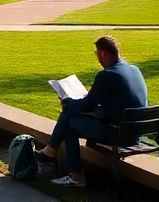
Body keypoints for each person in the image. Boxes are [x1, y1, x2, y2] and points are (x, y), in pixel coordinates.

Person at [36, 36, 148, 188]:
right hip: (136, 132)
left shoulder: (107, 75)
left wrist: (68, 103)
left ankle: (70, 170)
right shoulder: (134, 69)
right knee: (72, 113)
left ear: (103, 54)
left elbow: (87, 105)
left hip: (119, 134)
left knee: (70, 123)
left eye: (96, 54)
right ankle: (51, 152)